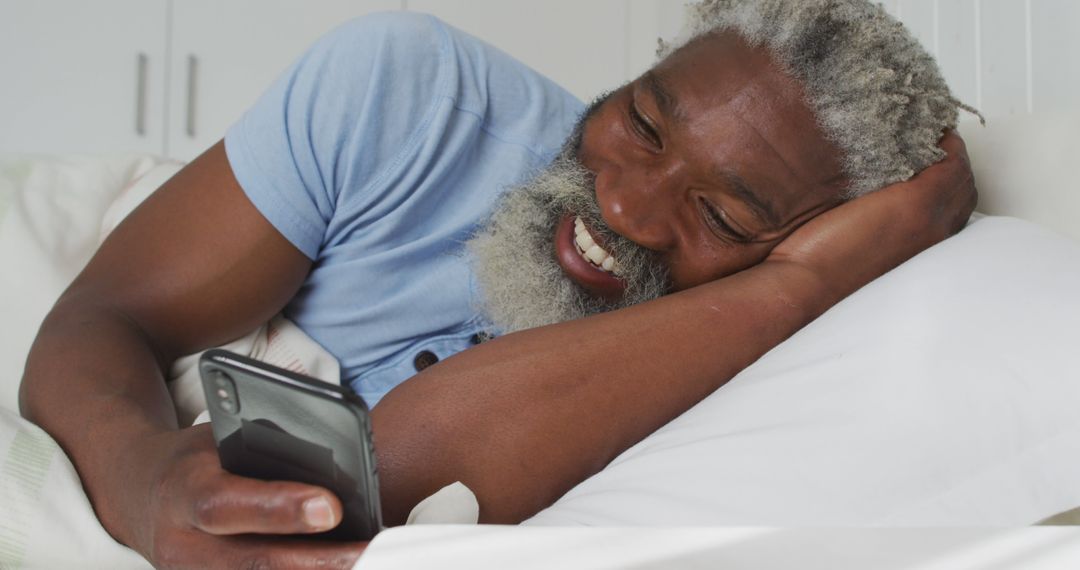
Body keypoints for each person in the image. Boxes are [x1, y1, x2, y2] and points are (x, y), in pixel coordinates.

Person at [19, 0, 976, 568]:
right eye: (644, 122)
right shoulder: (408, 97)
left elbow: (392, 472)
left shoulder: (783, 347)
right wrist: (142, 479)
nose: (627, 209)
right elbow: (103, 317)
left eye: (721, 217)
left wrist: (796, 292)